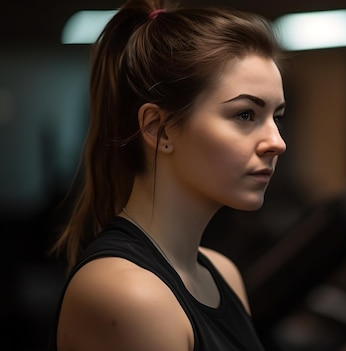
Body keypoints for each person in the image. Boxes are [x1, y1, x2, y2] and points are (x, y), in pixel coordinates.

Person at [49, 0, 287, 349]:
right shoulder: (132, 296)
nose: (277, 143)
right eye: (245, 115)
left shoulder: (223, 274)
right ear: (159, 129)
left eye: (276, 117)